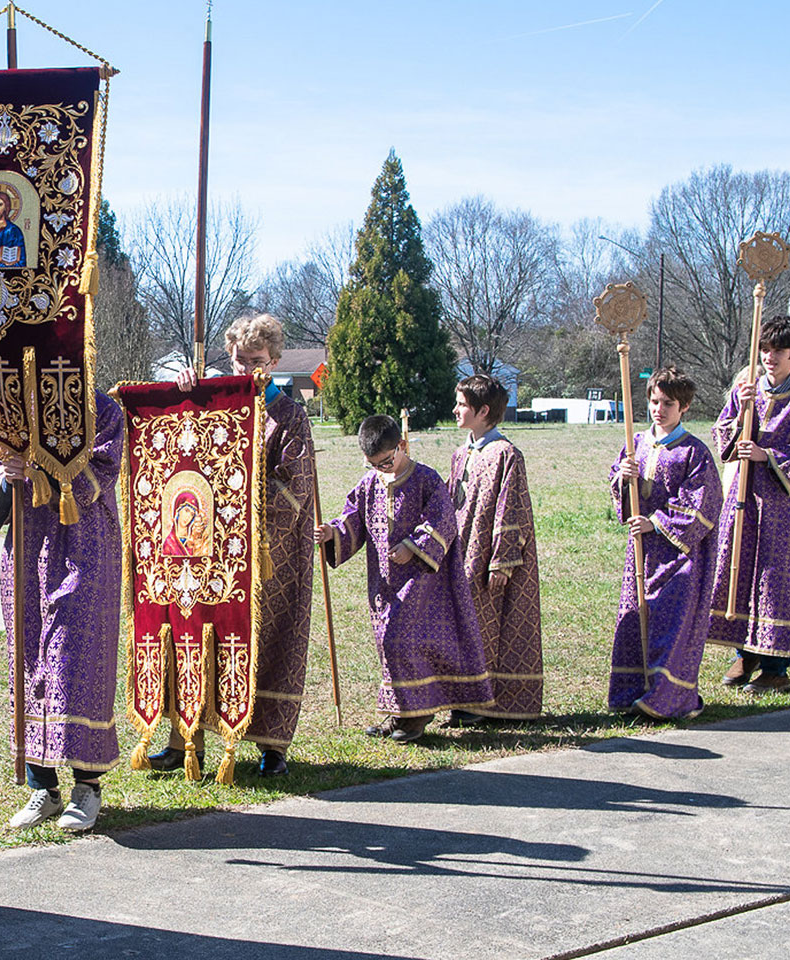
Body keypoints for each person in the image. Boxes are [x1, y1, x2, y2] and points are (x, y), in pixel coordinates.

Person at [148, 311, 315, 777]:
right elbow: (183, 446)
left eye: (257, 361)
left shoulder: (289, 414)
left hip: (270, 554)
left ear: (276, 359)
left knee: (270, 640)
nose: (247, 371)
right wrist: (185, 390)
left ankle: (271, 746)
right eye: (239, 361)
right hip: (215, 547)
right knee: (203, 635)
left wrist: (244, 502)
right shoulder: (216, 402)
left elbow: (294, 487)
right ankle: (187, 739)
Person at [0, 391, 125, 831]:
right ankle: (42, 787)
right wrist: (8, 477)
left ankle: (87, 786)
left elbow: (102, 471)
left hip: (82, 546)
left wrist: (42, 468)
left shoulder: (102, 408)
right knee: (30, 661)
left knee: (75, 660)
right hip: (25, 549)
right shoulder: (8, 410)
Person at [315, 415, 494, 742]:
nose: (381, 469)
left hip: (424, 581)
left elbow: (443, 520)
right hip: (384, 584)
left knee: (401, 640)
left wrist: (413, 547)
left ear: (401, 446)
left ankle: (417, 716)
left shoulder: (426, 479)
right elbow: (352, 521)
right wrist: (331, 532)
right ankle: (399, 714)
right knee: (388, 644)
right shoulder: (369, 484)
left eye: (386, 461)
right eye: (373, 464)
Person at [706, 315, 790, 691]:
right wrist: (740, 416)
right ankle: (743, 656)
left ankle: (776, 666)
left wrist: (767, 455)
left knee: (776, 580)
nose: (769, 357)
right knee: (741, 570)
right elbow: (722, 434)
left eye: (777, 350)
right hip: (746, 498)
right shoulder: (746, 391)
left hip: (786, 506)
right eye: (764, 349)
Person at [608, 368, 723, 719]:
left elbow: (702, 503)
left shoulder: (694, 451)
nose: (659, 409)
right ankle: (632, 691)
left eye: (668, 403)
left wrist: (655, 522)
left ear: (684, 406)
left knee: (671, 621)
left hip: (680, 555)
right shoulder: (636, 443)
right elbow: (622, 492)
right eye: (654, 401)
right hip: (642, 553)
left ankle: (669, 696)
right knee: (637, 615)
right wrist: (621, 478)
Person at [446, 374, 543, 724]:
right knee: (462, 623)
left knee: (486, 625)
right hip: (461, 551)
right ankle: (463, 697)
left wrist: (502, 561)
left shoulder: (506, 454)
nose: (456, 410)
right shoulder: (461, 454)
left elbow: (512, 507)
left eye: (462, 405)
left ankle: (484, 702)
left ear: (483, 410)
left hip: (487, 555)